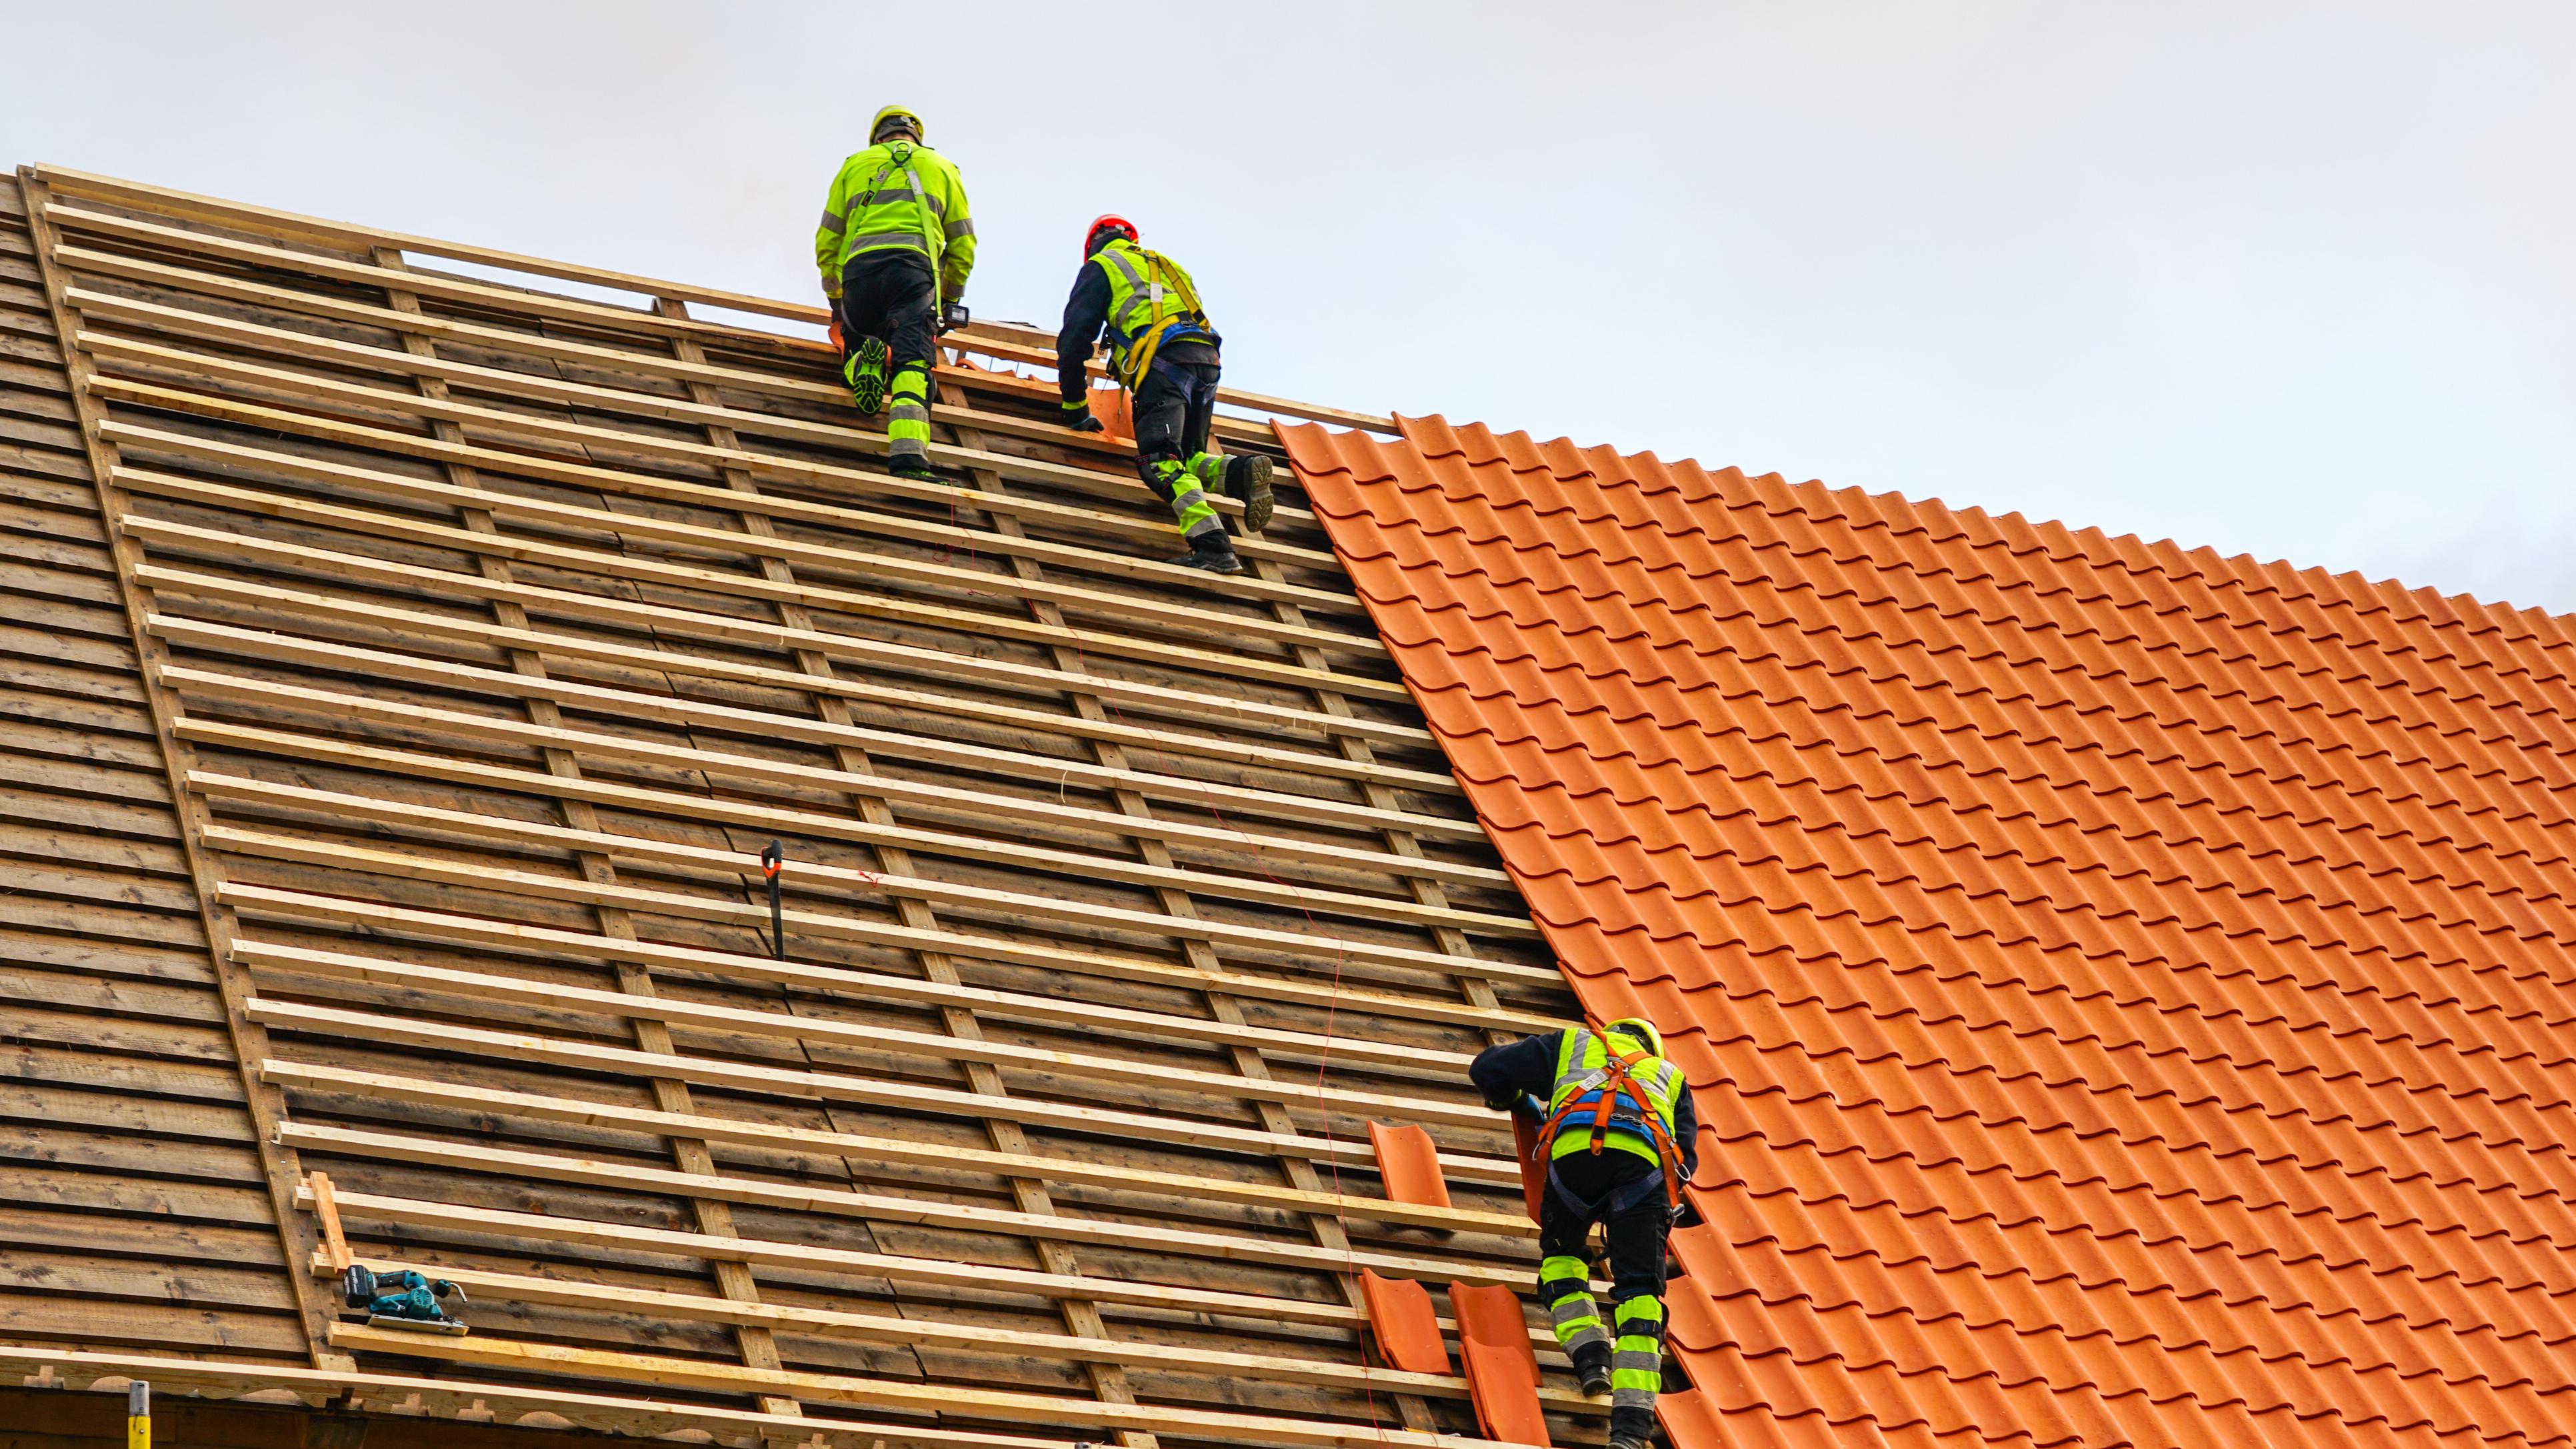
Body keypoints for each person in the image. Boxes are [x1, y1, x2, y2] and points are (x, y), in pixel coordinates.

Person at [1471, 1018, 1698, 1449]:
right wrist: (1650, 1216)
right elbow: (1685, 1160)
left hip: (1573, 1161)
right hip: (1641, 1177)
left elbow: (1487, 1069)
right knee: (1639, 1296)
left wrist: (1515, 1099)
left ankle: (1591, 1357)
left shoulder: (1573, 1044)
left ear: (1612, 1034)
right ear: (1651, 1048)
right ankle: (1630, 1430)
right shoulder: (1670, 1076)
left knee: (1562, 1259)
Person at [1055, 215, 1273, 574]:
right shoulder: (1169, 266)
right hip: (1206, 361)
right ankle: (1241, 473)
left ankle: (1213, 546)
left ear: (1091, 246)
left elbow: (1074, 342)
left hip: (1163, 363)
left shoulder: (1102, 266)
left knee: (1159, 461)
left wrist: (1076, 408)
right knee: (1188, 458)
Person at [815, 104, 974, 481]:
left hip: (858, 273)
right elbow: (963, 244)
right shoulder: (942, 168)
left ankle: (858, 365)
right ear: (916, 135)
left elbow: (827, 241)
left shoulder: (854, 166)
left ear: (877, 136)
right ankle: (909, 458)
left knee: (860, 339)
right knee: (912, 364)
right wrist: (949, 299)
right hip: (912, 271)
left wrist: (837, 301)